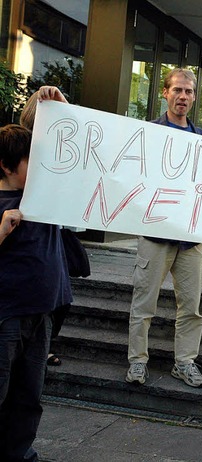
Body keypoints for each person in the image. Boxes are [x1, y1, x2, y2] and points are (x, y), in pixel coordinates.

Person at [126, 68, 202, 388]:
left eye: (188, 91)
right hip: (156, 233)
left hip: (190, 238)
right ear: (165, 92)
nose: (183, 96)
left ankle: (185, 362)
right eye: (178, 90)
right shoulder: (149, 133)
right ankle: (137, 362)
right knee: (143, 303)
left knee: (192, 307)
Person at [0, 124, 72, 461]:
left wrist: (54, 101)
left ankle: (18, 452)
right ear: (6, 164)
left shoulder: (44, 196)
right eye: (31, 161)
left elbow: (55, 129)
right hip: (8, 315)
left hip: (41, 311)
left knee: (29, 393)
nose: (40, 168)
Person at [20, 85, 73, 367]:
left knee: (59, 301)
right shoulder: (20, 151)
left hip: (50, 245)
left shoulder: (62, 151)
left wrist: (63, 105)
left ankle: (43, 347)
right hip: (26, 242)